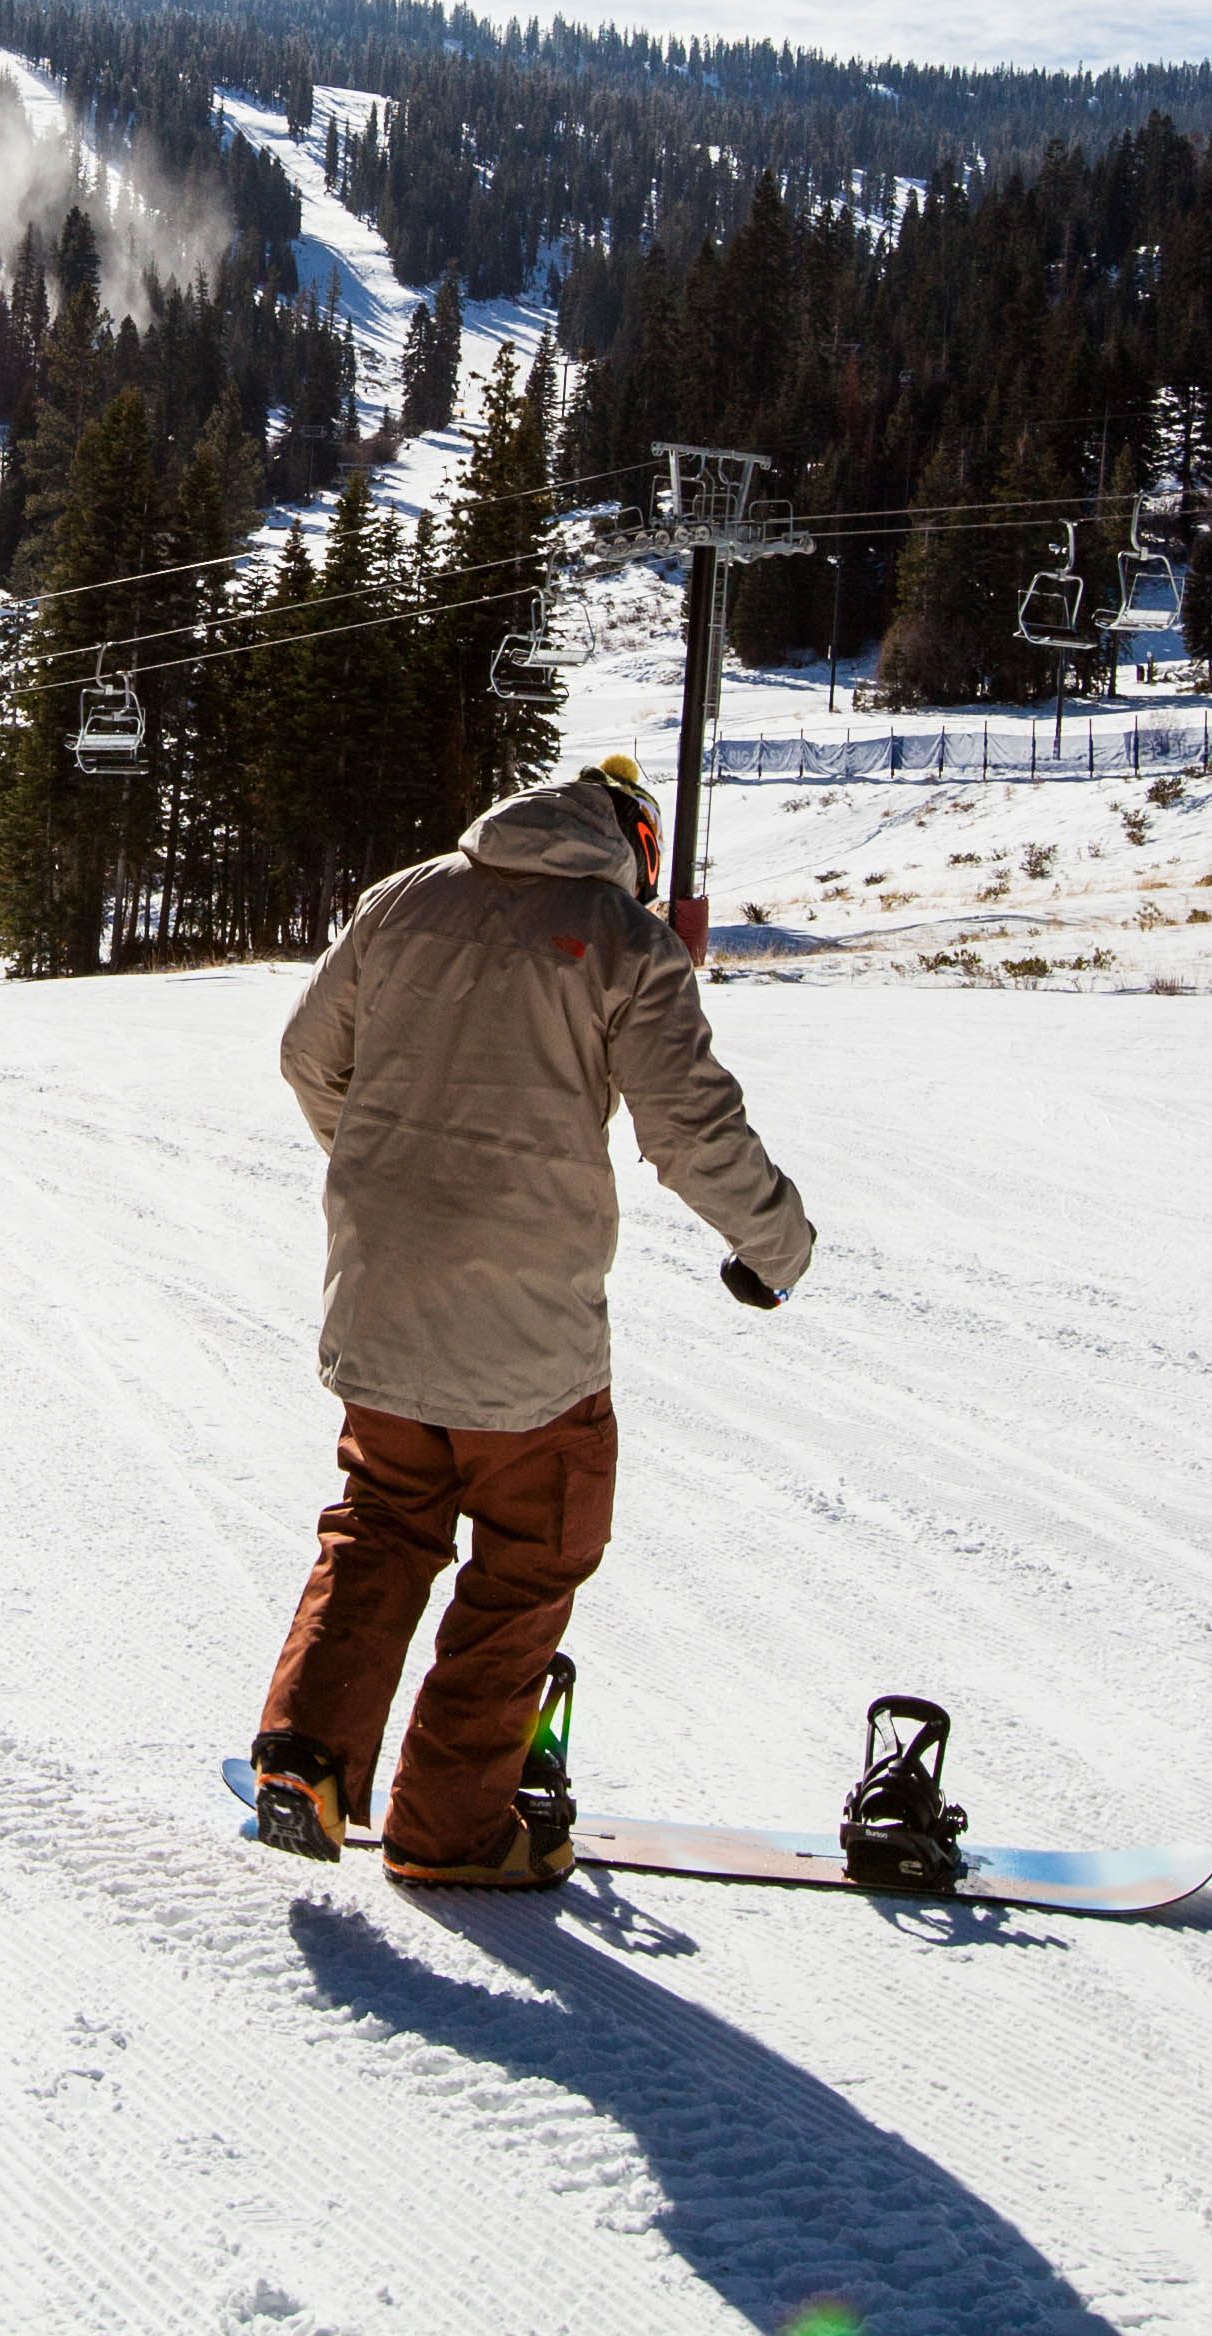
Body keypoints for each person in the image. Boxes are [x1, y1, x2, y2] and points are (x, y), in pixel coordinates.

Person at [247, 753, 814, 1887]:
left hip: (383, 1285)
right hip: (528, 1330)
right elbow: (690, 1128)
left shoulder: (405, 897)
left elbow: (309, 1056)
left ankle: (304, 1759)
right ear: (633, 847)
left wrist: (388, 1174)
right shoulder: (621, 940)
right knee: (532, 1552)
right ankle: (450, 1832)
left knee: (384, 1518)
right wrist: (776, 1247)